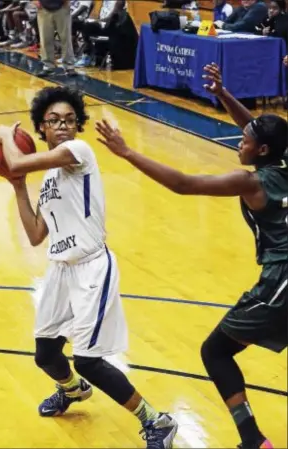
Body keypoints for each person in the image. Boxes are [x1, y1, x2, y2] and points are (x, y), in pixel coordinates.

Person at [95, 63, 288, 449]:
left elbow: (184, 184)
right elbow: (262, 130)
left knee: (215, 351)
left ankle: (252, 439)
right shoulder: (283, 158)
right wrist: (223, 94)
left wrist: (127, 151)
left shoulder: (250, 181)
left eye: (245, 141)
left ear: (261, 151)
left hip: (281, 281)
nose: (239, 140)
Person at [0, 86, 178, 449]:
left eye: (69, 120)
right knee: (45, 354)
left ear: (76, 128)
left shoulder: (79, 152)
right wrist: (18, 187)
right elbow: (33, 235)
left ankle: (157, 421)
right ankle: (73, 391)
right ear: (41, 128)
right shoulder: (48, 178)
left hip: (92, 267)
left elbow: (13, 160)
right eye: (54, 121)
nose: (63, 126)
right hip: (60, 270)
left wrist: (2, 135)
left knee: (89, 360)